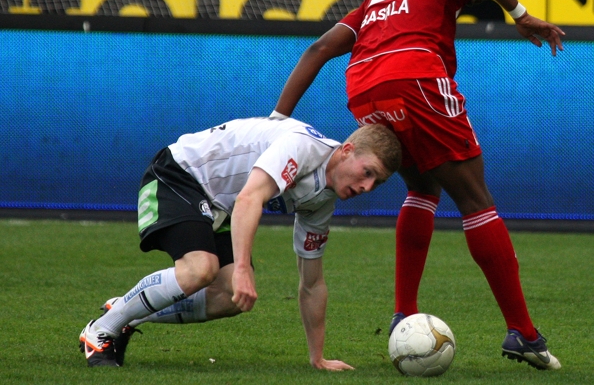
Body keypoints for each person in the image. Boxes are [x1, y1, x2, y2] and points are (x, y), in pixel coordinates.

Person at [271, 0, 564, 371]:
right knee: (476, 202)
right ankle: (523, 332)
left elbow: (320, 48)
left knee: (424, 188)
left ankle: (403, 313)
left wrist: (276, 123)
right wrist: (520, 14)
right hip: (415, 75)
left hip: (364, 91)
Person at [79, 116, 402, 370]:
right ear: (346, 151)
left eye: (378, 181)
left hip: (218, 205)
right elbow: (250, 198)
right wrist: (244, 267)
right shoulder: (303, 147)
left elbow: (312, 283)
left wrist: (317, 357)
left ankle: (125, 311)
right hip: (180, 174)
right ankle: (100, 333)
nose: (368, 186)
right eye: (367, 172)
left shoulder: (323, 201)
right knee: (200, 270)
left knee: (229, 299)